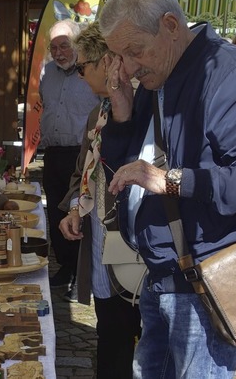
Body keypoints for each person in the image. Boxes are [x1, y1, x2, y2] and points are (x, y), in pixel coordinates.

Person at [99, 0, 236, 377]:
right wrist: (122, 114)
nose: (127, 66)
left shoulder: (234, 76)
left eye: (133, 51)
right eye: (120, 55)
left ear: (171, 25)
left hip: (205, 285)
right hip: (161, 275)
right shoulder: (158, 74)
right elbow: (126, 166)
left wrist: (172, 181)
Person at [58, 21, 141, 378]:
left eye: (81, 67)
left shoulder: (136, 108)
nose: (78, 75)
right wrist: (74, 207)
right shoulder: (97, 113)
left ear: (105, 63)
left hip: (128, 241)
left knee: (126, 328)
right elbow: (83, 172)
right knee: (108, 326)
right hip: (99, 238)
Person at [39, 19, 101, 301]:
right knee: (55, 211)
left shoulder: (89, 72)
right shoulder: (47, 73)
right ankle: (64, 266)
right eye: (54, 48)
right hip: (53, 154)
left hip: (82, 154)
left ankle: (81, 272)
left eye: (64, 46)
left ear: (77, 45)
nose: (59, 53)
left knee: (82, 212)